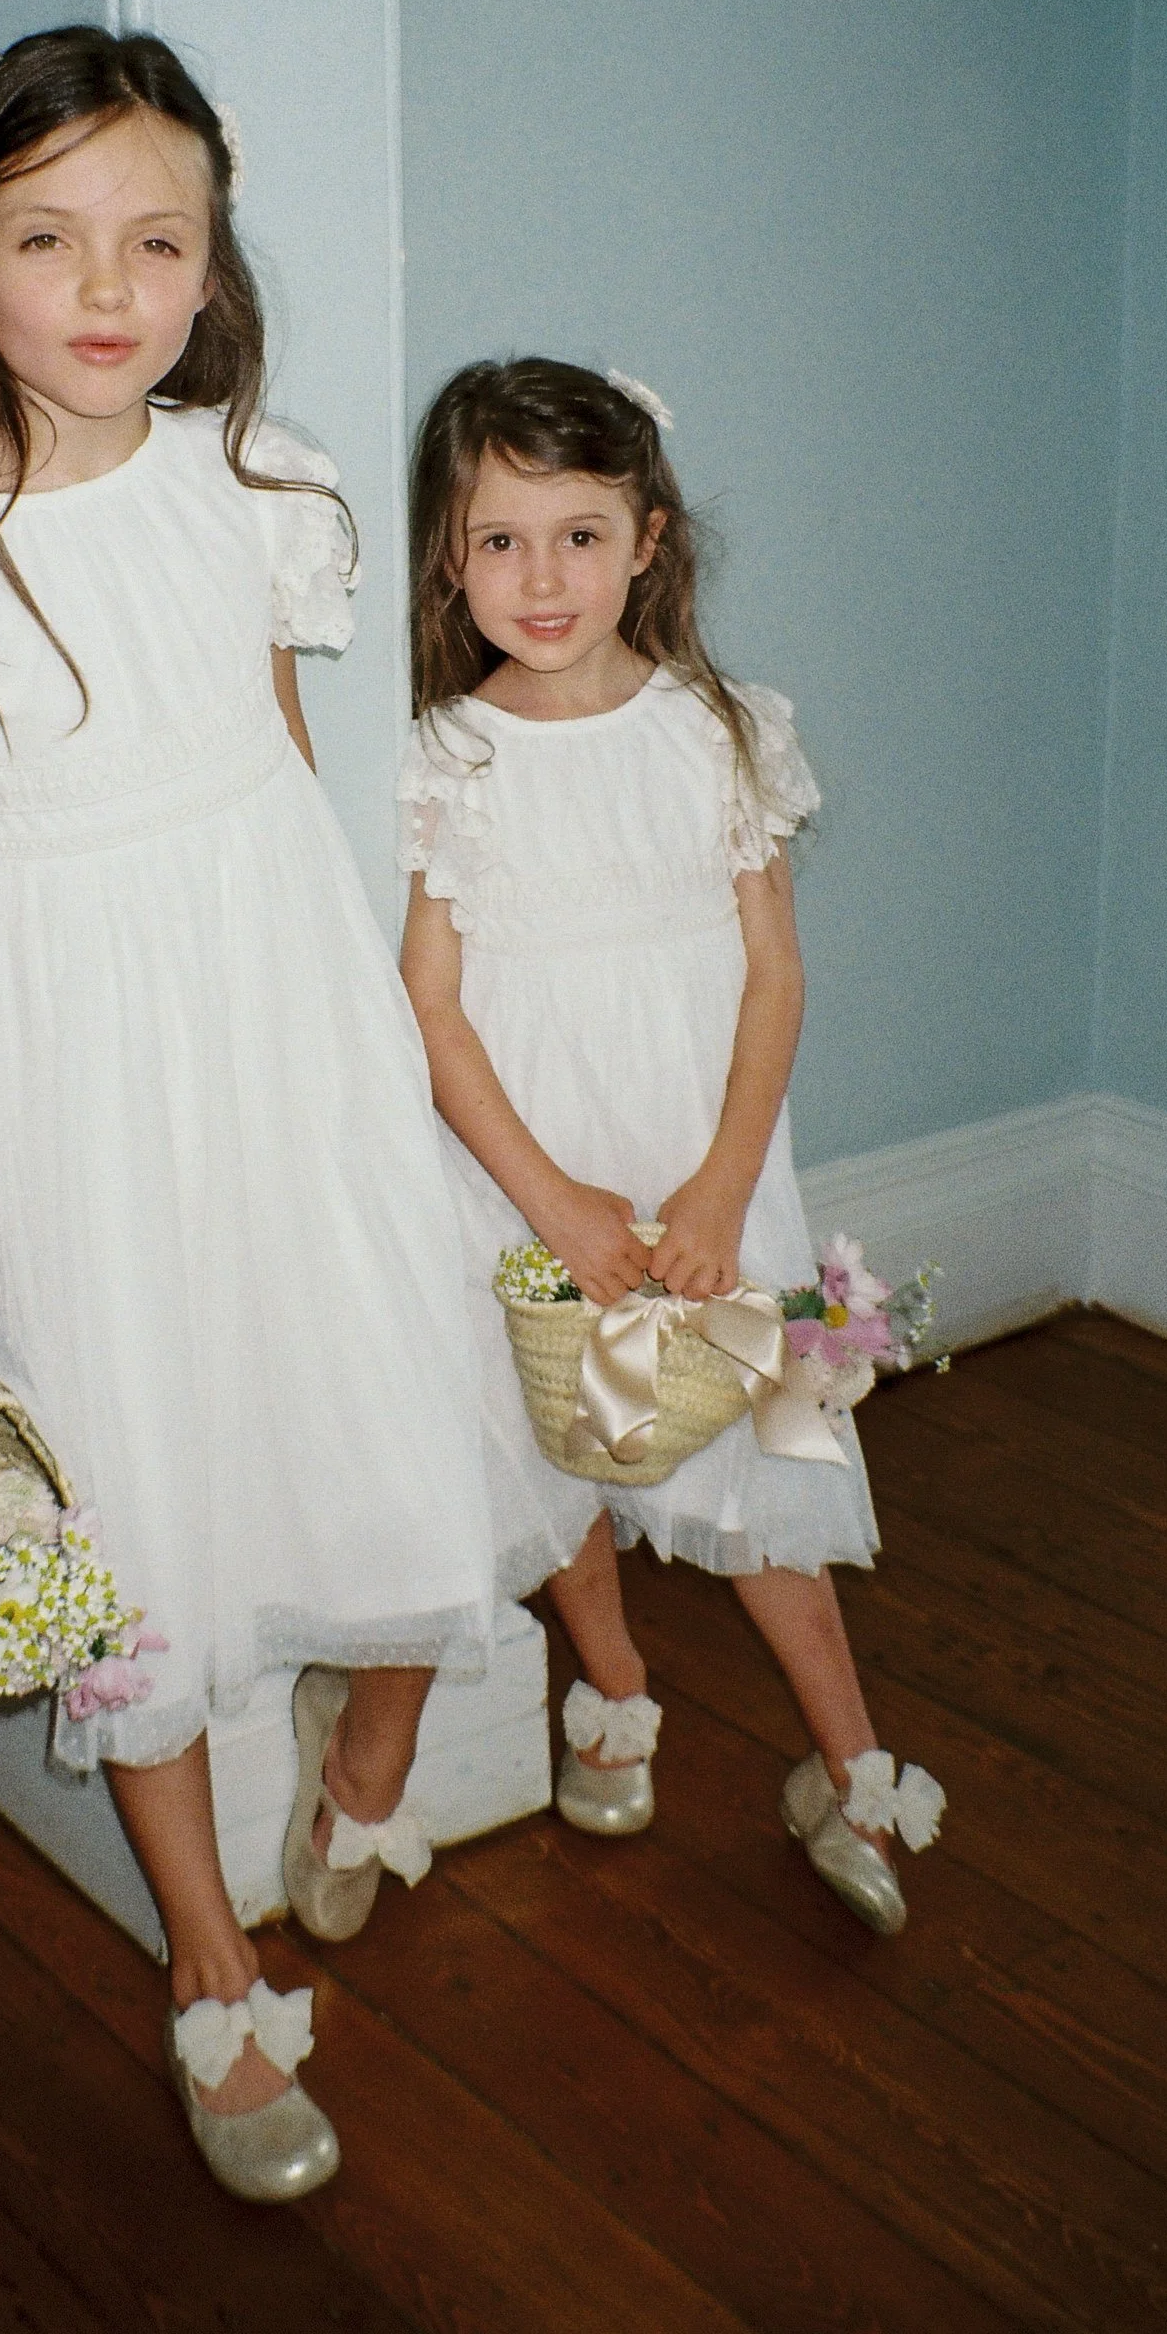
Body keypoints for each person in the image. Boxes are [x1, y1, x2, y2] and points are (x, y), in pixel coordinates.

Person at [0, 28, 497, 2199]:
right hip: (74, 1090)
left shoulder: (253, 491)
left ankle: (364, 1780)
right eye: (48, 235)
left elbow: (279, 784)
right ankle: (207, 1961)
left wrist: (374, 1059)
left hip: (285, 1044)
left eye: (154, 238)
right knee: (145, 1513)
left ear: (208, 271)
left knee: (386, 1405)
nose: (106, 284)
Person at [397, 358, 944, 1934]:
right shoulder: (447, 757)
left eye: (580, 534)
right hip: (525, 1167)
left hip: (702, 1155)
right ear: (451, 556)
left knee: (754, 1460)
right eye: (500, 541)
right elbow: (432, 1007)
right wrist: (553, 1199)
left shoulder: (717, 731)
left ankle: (852, 1767)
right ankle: (615, 1693)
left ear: (648, 538)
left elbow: (773, 974)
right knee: (560, 1436)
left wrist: (717, 1186)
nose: (542, 578)